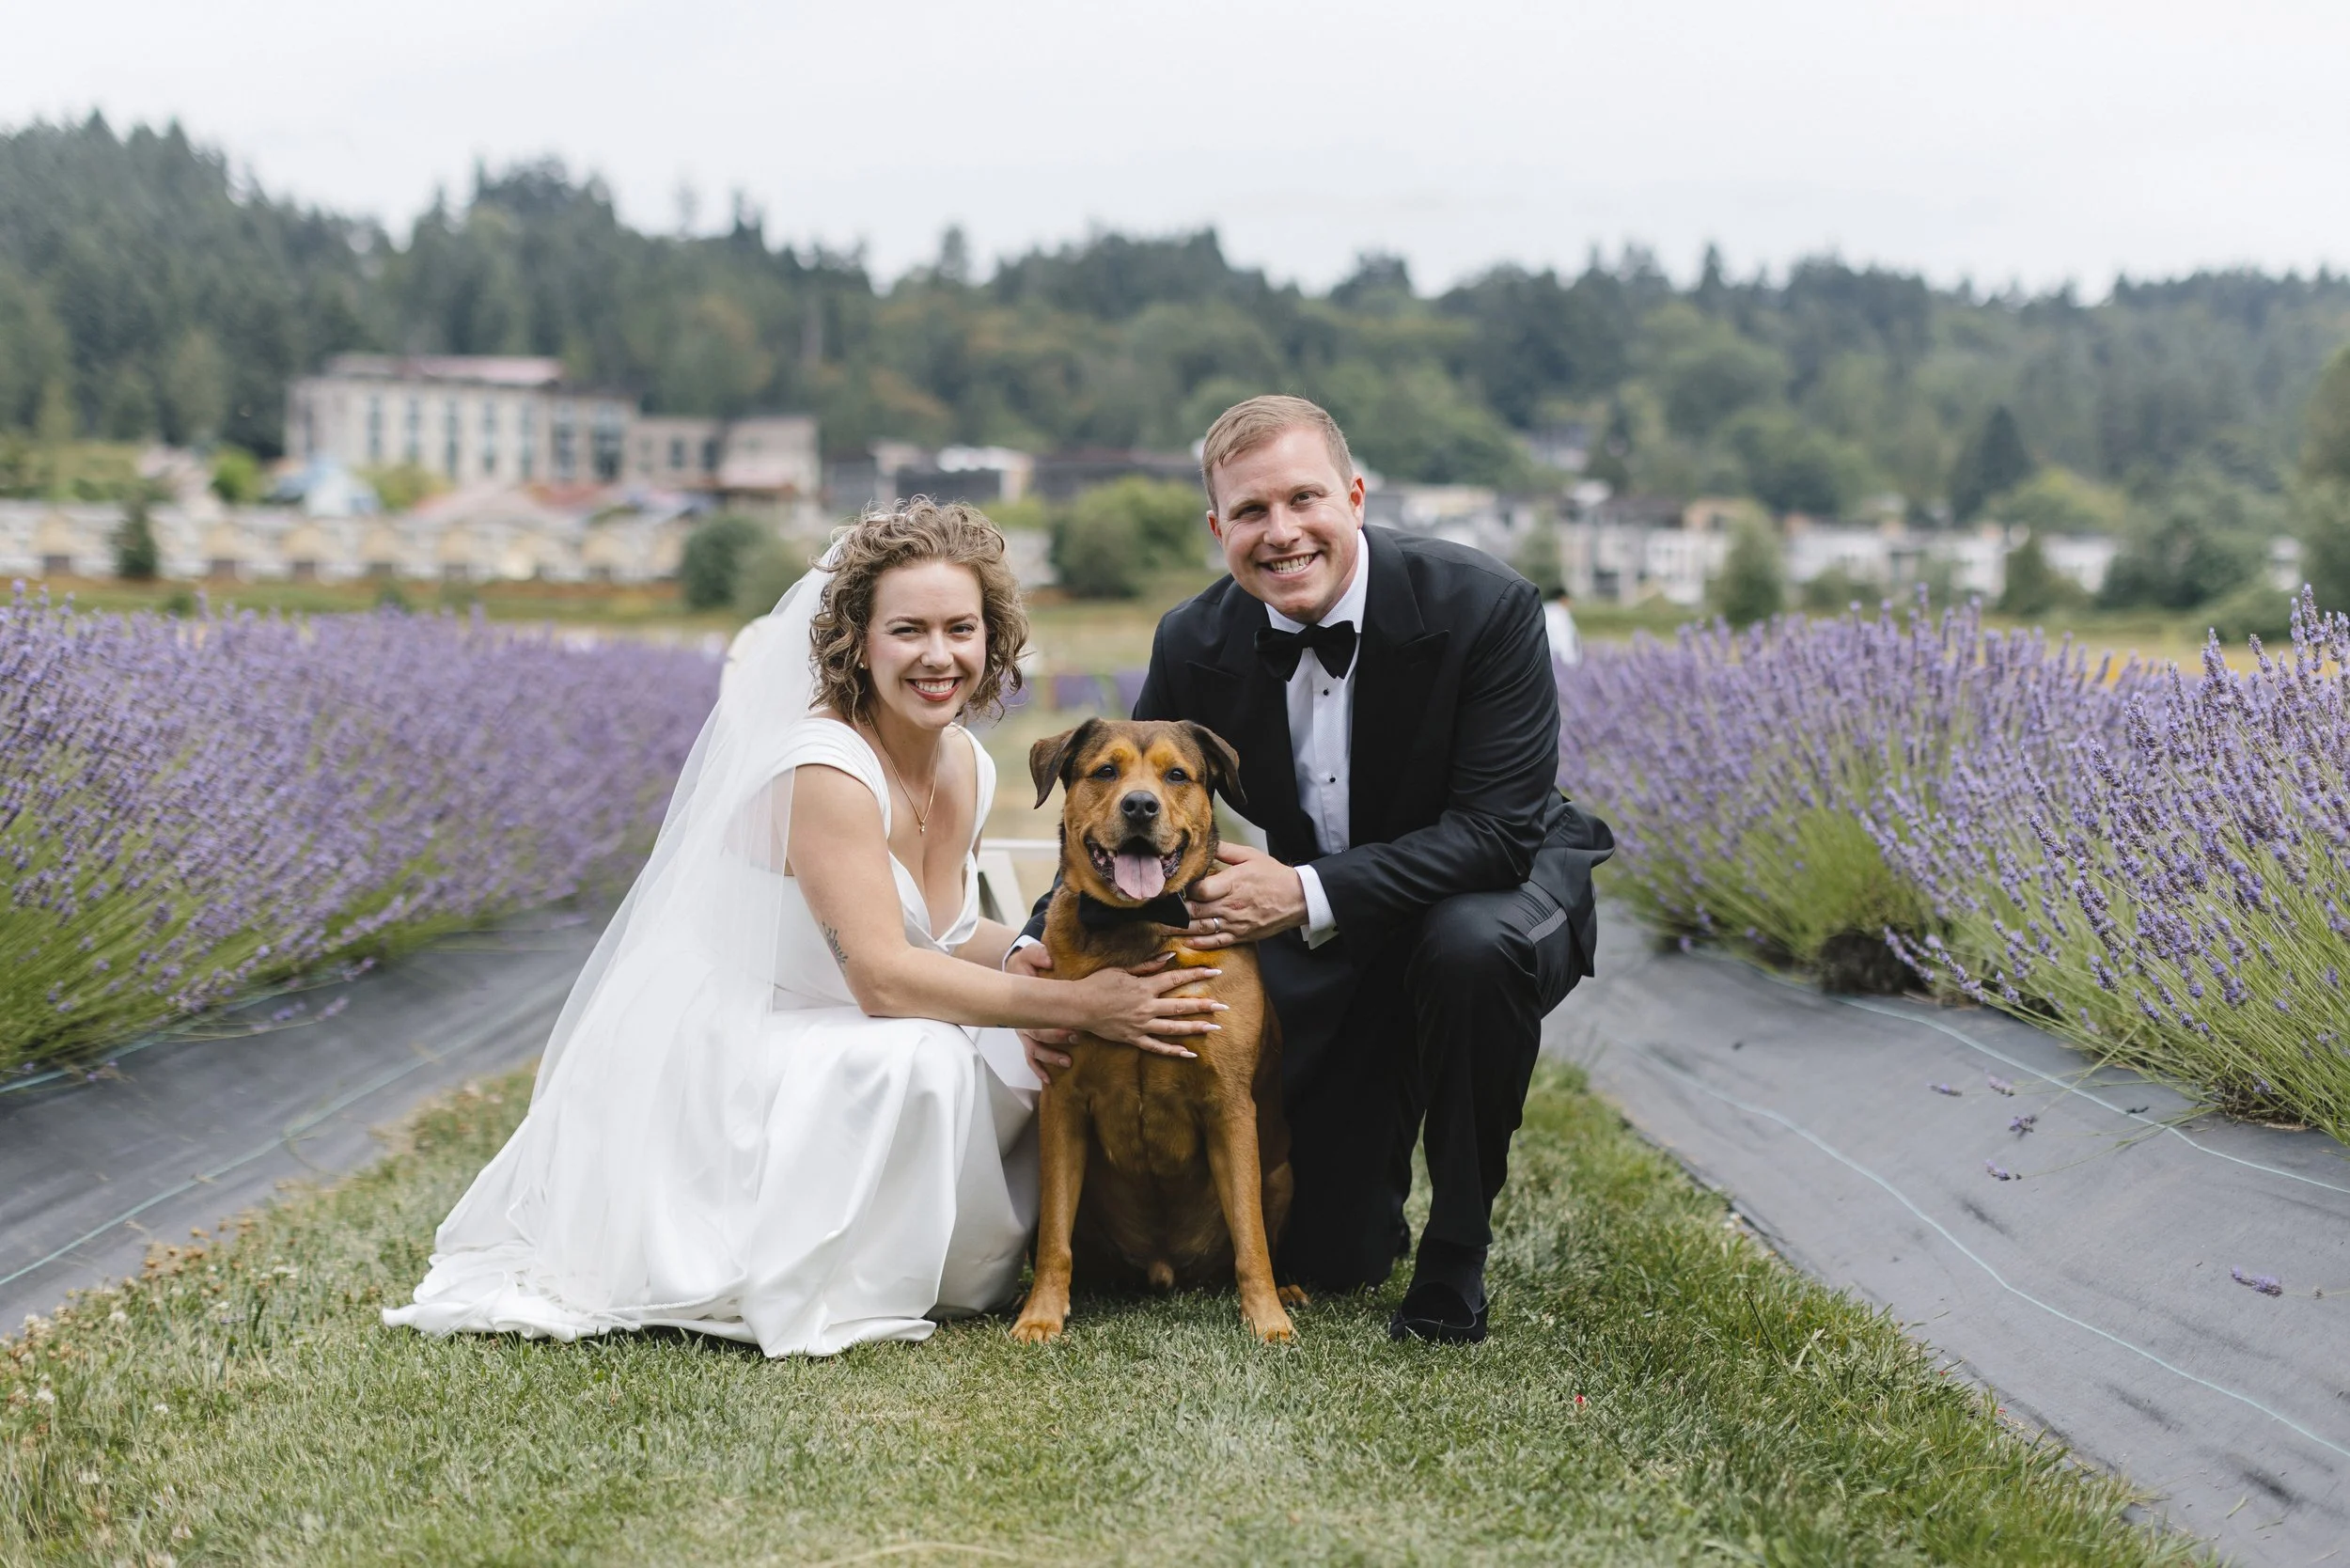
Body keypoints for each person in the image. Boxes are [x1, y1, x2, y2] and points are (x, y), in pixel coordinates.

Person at [384, 503, 1217, 1357]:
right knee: (925, 1055)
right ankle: (838, 1277)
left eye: (961, 628)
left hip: (851, 1007)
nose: (940, 655)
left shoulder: (961, 757)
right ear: (858, 640)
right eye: (908, 630)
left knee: (1016, 1042)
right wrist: (1086, 1005)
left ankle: (968, 1263)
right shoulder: (823, 767)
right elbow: (887, 978)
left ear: (991, 635)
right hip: (752, 1034)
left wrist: (1027, 962)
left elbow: (942, 927)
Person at [1012, 396, 1612, 1344]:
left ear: (1356, 496)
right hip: (1332, 925)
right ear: (1218, 529)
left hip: (1495, 890)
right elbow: (1123, 824)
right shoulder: (1193, 639)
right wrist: (1030, 947)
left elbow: (1497, 831)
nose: (1281, 531)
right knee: (1333, 1258)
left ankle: (1456, 1260)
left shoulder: (1484, 605)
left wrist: (1300, 892)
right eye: (1249, 512)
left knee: (1468, 949)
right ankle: (1365, 1198)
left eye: (1304, 498)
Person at [1543, 584, 1582, 668]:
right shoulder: (1560, 614)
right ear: (1563, 598)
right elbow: (1563, 642)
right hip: (1561, 663)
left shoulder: (1543, 610)